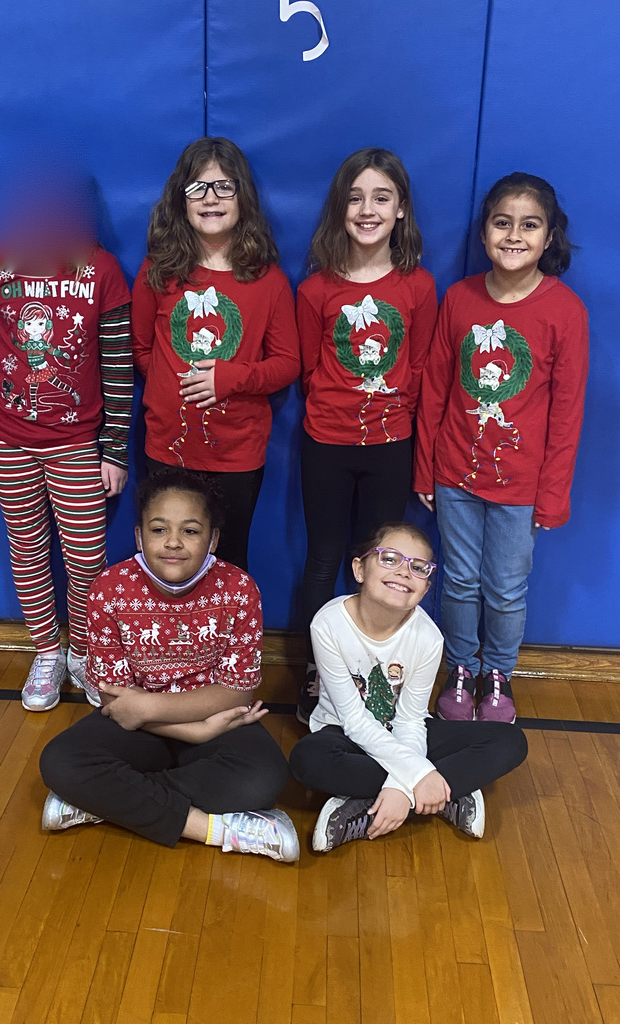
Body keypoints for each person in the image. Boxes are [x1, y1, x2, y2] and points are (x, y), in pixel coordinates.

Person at [39, 468, 299, 862]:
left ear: (212, 539)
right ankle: (216, 831)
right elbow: (115, 700)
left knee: (265, 776)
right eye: (159, 530)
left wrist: (155, 710)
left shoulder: (240, 589)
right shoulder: (108, 589)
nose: (173, 543)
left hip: (212, 720)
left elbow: (236, 690)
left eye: (191, 531)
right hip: (147, 729)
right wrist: (191, 731)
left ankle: (103, 801)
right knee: (60, 760)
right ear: (139, 535)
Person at [0, 170, 132, 712]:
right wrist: (7, 370)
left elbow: (119, 365)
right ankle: (48, 652)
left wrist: (114, 449)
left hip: (77, 440)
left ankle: (82, 650)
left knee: (85, 558)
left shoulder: (102, 270)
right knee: (27, 549)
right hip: (9, 439)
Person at [414, 172, 589, 723]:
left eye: (529, 225)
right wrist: (425, 472)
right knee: (460, 580)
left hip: (521, 485)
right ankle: (461, 667)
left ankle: (498, 675)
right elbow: (435, 389)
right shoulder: (459, 299)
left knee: (506, 588)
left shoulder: (565, 311)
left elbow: (566, 412)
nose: (514, 235)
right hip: (454, 476)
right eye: (502, 222)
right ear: (485, 231)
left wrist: (552, 495)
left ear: (550, 236)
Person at [296, 149, 437, 723]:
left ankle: (375, 673)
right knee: (324, 557)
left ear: (401, 209)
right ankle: (316, 672)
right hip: (326, 443)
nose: (367, 209)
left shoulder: (419, 287)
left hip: (390, 447)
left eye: (381, 197)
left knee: (382, 559)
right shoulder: (315, 290)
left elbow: (423, 368)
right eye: (355, 198)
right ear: (340, 209)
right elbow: (310, 370)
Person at [289, 523, 528, 851]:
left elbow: (411, 720)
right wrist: (416, 776)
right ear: (359, 569)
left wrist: (401, 786)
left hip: (404, 735)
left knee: (511, 741)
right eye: (389, 559)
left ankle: (371, 801)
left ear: (426, 587)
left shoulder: (428, 638)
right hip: (344, 734)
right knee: (307, 759)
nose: (404, 572)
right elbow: (355, 721)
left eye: (418, 568)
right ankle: (442, 793)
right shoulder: (328, 624)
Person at [131, 137, 300, 571]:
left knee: (228, 559)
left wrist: (229, 378)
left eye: (224, 187)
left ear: (242, 196)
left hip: (236, 453)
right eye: (198, 188)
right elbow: (143, 349)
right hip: (168, 446)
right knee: (167, 561)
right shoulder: (158, 271)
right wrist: (172, 384)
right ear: (180, 199)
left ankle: (225, 641)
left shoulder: (269, 281)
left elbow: (287, 363)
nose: (210, 199)